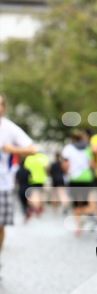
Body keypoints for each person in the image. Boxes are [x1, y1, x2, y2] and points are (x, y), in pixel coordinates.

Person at [0, 94, 36, 274]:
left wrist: (12, 149)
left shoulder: (9, 128)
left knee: (0, 226)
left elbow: (32, 148)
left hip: (3, 185)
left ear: (4, 107)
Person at [61, 129, 94, 235]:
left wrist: (66, 172)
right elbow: (92, 163)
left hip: (74, 178)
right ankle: (88, 218)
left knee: (75, 203)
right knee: (85, 202)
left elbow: (65, 164)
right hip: (86, 178)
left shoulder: (68, 148)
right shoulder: (88, 148)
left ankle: (78, 227)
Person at [24, 150, 49, 215]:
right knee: (39, 194)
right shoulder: (43, 157)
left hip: (31, 179)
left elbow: (25, 169)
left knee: (34, 194)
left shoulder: (29, 158)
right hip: (41, 179)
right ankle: (38, 206)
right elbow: (46, 168)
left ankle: (36, 207)